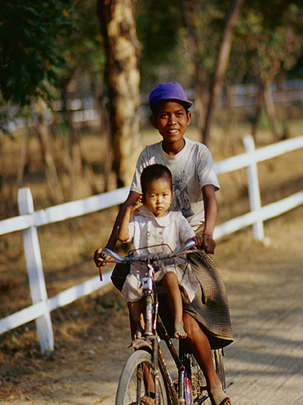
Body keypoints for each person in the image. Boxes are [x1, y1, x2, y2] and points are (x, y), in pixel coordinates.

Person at [94, 81, 233, 405]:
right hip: (150, 244)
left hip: (188, 241)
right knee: (135, 307)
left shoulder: (199, 153)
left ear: (188, 117)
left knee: (191, 316)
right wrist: (109, 246)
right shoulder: (147, 156)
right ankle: (149, 385)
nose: (172, 121)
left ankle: (214, 386)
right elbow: (129, 205)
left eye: (179, 114)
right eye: (164, 115)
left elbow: (210, 197)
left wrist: (207, 234)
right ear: (154, 120)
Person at [117, 164, 201, 340]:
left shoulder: (176, 218)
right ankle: (140, 325)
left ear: (171, 195)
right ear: (144, 197)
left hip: (170, 265)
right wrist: (128, 212)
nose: (159, 201)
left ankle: (178, 321)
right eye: (153, 196)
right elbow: (123, 236)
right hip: (144, 270)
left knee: (170, 276)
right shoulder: (139, 220)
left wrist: (193, 243)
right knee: (131, 284)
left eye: (164, 195)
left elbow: (189, 237)